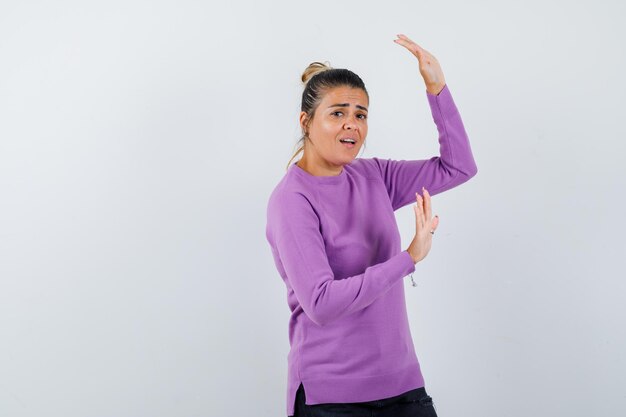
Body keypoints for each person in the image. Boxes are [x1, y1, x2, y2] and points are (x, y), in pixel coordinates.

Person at [265, 34, 478, 417]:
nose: (352, 125)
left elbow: (458, 167)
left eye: (360, 114)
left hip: (403, 386)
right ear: (306, 121)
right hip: (331, 397)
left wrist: (437, 88)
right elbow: (321, 303)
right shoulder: (291, 200)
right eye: (338, 113)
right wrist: (408, 258)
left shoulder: (374, 175)